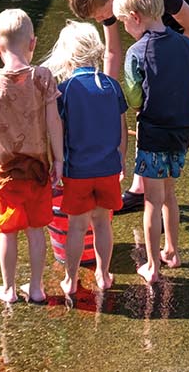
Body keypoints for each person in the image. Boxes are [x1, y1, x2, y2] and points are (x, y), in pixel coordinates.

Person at [64, 0, 189, 211]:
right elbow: (113, 52)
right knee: (145, 107)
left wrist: (169, 71)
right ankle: (142, 188)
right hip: (148, 34)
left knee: (168, 107)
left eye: (101, 15)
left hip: (181, 29)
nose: (101, 19)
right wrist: (104, 93)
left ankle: (165, 180)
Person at [112, 0, 189, 285]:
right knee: (170, 194)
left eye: (124, 22)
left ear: (136, 18)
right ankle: (173, 251)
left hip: (153, 132)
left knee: (152, 200)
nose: (125, 29)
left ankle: (153, 267)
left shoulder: (136, 53)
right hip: (182, 133)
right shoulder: (185, 44)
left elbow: (134, 98)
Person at [0, 8, 63, 304]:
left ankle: (9, 289)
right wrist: (58, 159)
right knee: (37, 229)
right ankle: (36, 288)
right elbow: (54, 123)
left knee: (8, 230)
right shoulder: (43, 77)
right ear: (33, 43)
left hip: (4, 170)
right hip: (38, 169)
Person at [44, 21, 127, 296]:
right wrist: (121, 160)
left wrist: (57, 161)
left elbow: (59, 132)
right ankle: (103, 275)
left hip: (77, 171)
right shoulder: (112, 86)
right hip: (107, 169)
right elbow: (122, 127)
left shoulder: (65, 91)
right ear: (97, 52)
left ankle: (70, 279)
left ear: (67, 57)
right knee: (103, 223)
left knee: (77, 227)